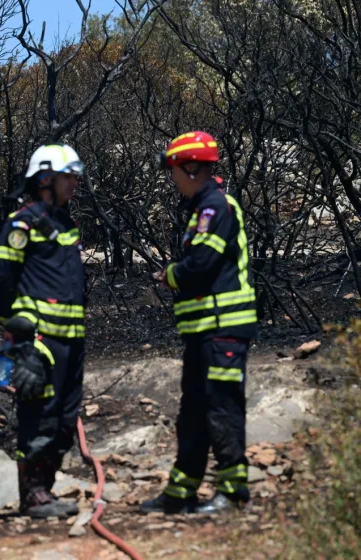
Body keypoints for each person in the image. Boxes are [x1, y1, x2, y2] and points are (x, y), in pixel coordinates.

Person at [140, 131, 257, 514]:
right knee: (193, 411)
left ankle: (233, 491)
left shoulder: (215, 207)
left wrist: (171, 275)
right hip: (203, 332)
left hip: (222, 330)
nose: (172, 178)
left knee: (221, 408)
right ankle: (181, 491)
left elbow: (201, 264)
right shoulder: (202, 208)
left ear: (191, 167)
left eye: (174, 170)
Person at [0, 144, 87, 519]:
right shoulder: (23, 223)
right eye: (68, 176)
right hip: (41, 340)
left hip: (72, 340)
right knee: (40, 417)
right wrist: (17, 335)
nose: (75, 183)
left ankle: (45, 488)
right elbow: (2, 277)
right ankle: (32, 495)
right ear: (46, 179)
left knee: (65, 420)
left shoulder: (66, 224)